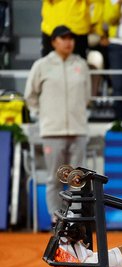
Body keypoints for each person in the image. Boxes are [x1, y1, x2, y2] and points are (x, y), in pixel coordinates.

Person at [24, 25, 91, 226]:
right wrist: (44, 115)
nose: (68, 42)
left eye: (71, 38)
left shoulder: (81, 64)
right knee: (55, 178)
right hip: (52, 131)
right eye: (63, 38)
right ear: (53, 41)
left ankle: (75, 220)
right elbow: (30, 95)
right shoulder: (42, 65)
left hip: (78, 130)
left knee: (77, 179)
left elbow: (87, 96)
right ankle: (56, 218)